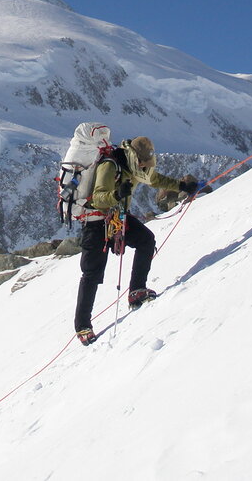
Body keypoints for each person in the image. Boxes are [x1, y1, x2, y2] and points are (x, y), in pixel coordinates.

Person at [74, 136, 200, 345]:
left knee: (146, 241)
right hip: (96, 222)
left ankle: (136, 291)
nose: (144, 167)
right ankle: (82, 326)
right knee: (92, 272)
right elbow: (98, 198)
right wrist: (117, 194)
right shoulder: (110, 166)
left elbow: (154, 179)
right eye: (143, 163)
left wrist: (180, 186)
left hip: (118, 217)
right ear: (135, 157)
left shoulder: (134, 167)